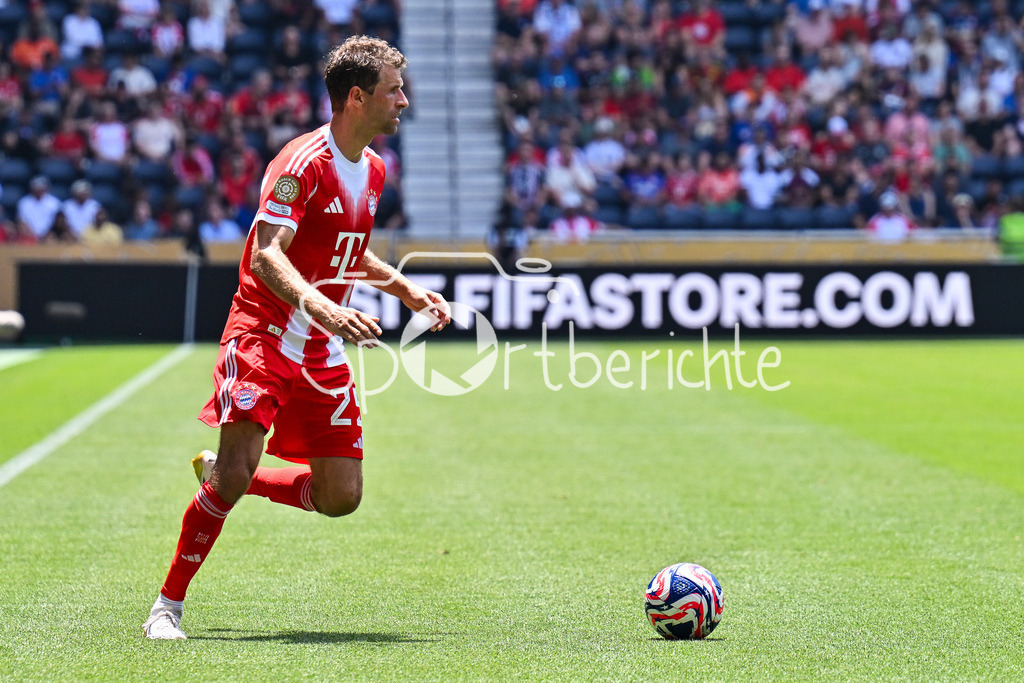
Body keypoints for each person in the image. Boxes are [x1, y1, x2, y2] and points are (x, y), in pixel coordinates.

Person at [142, 35, 452, 641]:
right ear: (357, 97)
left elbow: (346, 252)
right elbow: (266, 255)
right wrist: (321, 306)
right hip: (263, 332)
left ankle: (238, 476)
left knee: (341, 495)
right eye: (394, 91)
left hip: (319, 346)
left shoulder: (374, 168)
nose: (404, 101)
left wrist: (405, 290)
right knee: (234, 472)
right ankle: (166, 608)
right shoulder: (301, 163)